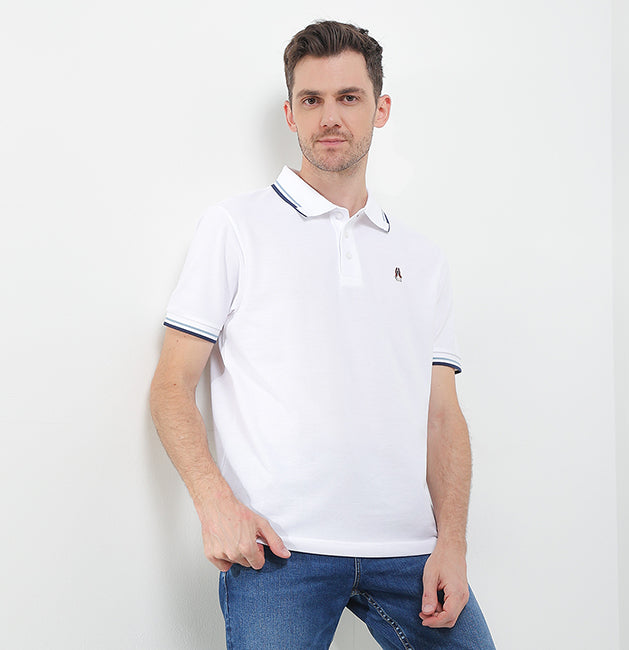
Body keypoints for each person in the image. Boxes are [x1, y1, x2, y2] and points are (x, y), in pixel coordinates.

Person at [150, 20, 495, 649]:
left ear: (380, 109)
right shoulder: (235, 227)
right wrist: (214, 504)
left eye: (348, 97)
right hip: (280, 553)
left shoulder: (422, 259)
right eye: (311, 100)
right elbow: (172, 385)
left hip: (411, 555)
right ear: (290, 113)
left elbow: (443, 416)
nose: (329, 117)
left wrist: (452, 543)